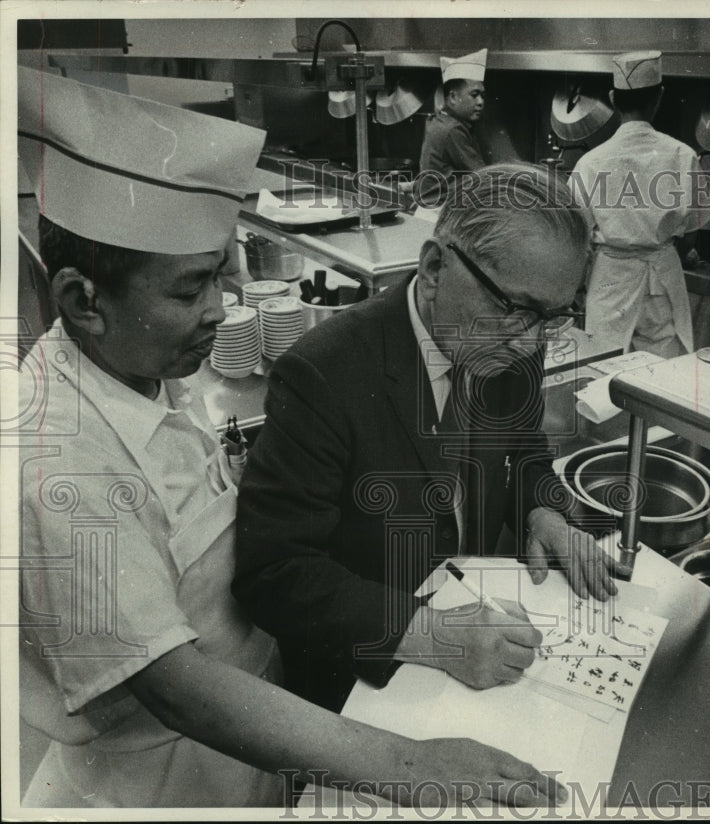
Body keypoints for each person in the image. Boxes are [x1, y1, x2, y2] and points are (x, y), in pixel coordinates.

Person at [15, 66, 565, 810]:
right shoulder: (58, 461)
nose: (220, 310)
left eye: (222, 277)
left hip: (261, 743)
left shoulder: (140, 365)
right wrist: (411, 766)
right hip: (157, 784)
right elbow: (178, 689)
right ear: (83, 301)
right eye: (191, 289)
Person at [233, 163, 630, 714]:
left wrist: (544, 512)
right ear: (436, 266)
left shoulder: (518, 333)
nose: (532, 341)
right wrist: (435, 634)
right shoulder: (324, 374)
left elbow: (527, 451)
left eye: (555, 316)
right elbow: (273, 574)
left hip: (481, 630)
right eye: (516, 311)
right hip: (368, 680)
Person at [571, 50, 710, 359]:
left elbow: (576, 237)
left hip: (611, 277)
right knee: (661, 376)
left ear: (612, 98)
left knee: (605, 371)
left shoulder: (590, 162)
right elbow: (693, 229)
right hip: (662, 276)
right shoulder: (683, 155)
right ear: (659, 98)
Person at [415, 48, 489, 207]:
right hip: (440, 212)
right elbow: (482, 177)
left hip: (432, 208)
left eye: (483, 96)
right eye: (474, 95)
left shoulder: (440, 120)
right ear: (453, 97)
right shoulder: (453, 130)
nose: (480, 102)